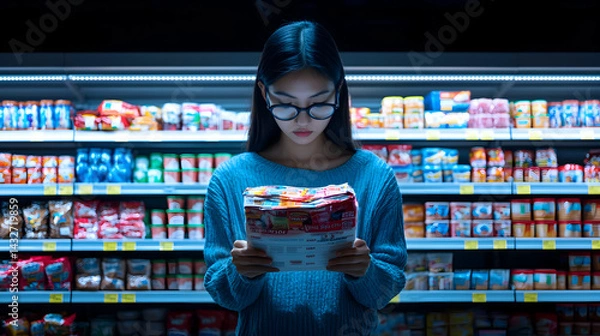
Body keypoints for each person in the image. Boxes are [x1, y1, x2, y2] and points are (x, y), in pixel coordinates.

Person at [204, 20, 407, 335]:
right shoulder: (230, 179)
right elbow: (225, 295)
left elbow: (386, 290)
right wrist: (239, 272)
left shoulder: (374, 176)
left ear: (339, 92)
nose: (302, 120)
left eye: (318, 103)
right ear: (263, 93)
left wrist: (366, 271)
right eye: (285, 104)